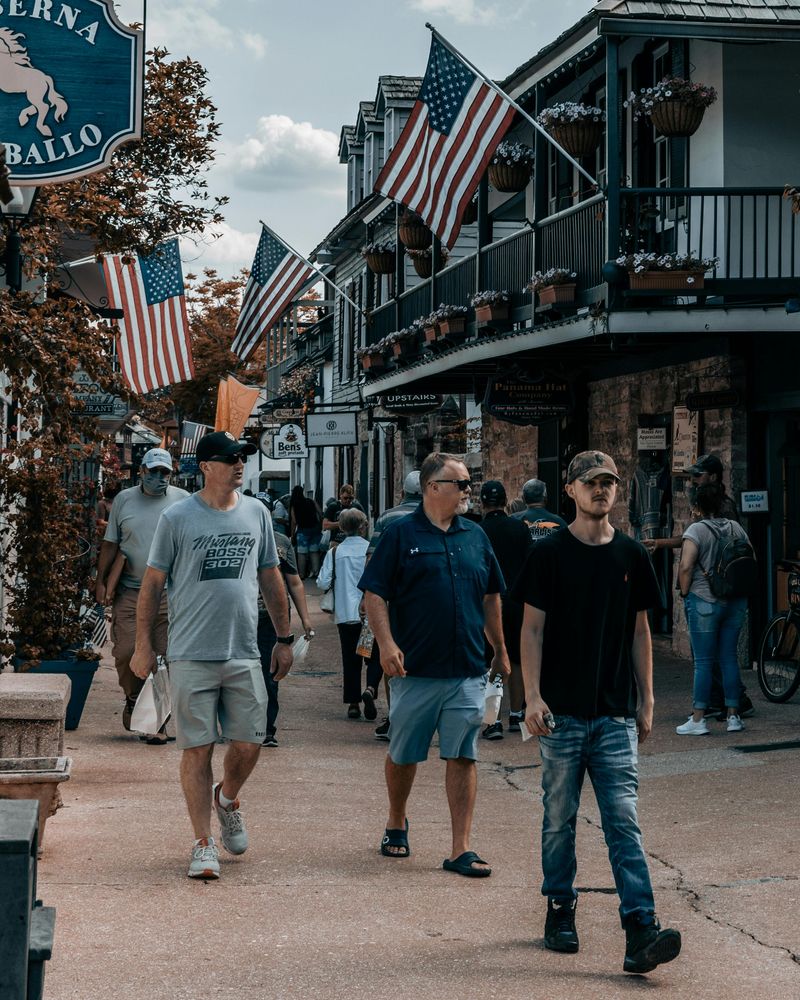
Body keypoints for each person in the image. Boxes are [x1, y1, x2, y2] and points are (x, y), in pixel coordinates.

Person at [515, 450, 681, 974]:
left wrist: (646, 699)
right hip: (560, 713)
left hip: (613, 714)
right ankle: (560, 909)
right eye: (591, 482)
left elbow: (640, 632)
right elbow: (531, 630)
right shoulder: (548, 554)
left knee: (623, 821)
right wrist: (532, 696)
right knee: (558, 819)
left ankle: (641, 928)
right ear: (571, 490)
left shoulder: (631, 554)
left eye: (608, 482)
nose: (601, 490)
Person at [130, 430, 294, 881]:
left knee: (250, 743)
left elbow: (270, 575)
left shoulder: (256, 513)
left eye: (242, 457)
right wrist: (144, 643)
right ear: (205, 466)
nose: (239, 464)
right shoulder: (177, 518)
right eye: (229, 458)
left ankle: (227, 797)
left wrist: (284, 638)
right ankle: (202, 842)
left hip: (243, 650)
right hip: (191, 652)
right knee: (197, 749)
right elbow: (152, 584)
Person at [360, 452, 510, 877]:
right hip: (415, 670)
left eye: (468, 483)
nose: (467, 490)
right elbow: (374, 594)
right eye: (459, 483)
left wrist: (500, 649)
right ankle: (396, 819)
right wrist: (386, 644)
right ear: (432, 487)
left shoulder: (476, 536)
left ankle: (461, 847)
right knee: (404, 754)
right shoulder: (400, 535)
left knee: (463, 755)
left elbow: (491, 597)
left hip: (466, 668)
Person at [642, 453, 754, 719]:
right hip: (723, 593)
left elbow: (693, 552)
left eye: (698, 476)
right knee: (721, 655)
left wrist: (685, 591)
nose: (693, 481)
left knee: (705, 658)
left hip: (711, 593)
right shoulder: (722, 515)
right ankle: (731, 706)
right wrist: (661, 543)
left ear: (713, 477)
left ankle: (712, 708)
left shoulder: (720, 508)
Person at [95, 448, 188, 743]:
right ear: (142, 472)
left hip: (168, 593)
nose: (160, 478)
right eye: (154, 472)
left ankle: (157, 723)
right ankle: (134, 698)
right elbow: (111, 543)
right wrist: (100, 581)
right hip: (130, 591)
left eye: (165, 473)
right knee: (125, 652)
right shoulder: (124, 500)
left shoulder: (184, 501)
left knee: (163, 658)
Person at [675, 483, 750, 735]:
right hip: (735, 601)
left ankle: (698, 719)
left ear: (697, 507)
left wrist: (685, 593)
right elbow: (751, 558)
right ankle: (733, 716)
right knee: (729, 658)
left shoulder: (696, 530)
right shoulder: (736, 527)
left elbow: (686, 566)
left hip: (704, 600)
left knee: (704, 662)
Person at [366, 470, 422, 741]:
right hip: (425, 596)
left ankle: (395, 715)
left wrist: (367, 596)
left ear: (403, 492)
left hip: (393, 596)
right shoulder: (435, 516)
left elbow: (372, 557)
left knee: (390, 652)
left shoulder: (388, 518)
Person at [477, 480, 533, 739]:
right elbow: (529, 565)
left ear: (482, 503)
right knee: (517, 659)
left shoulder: (478, 531)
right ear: (505, 502)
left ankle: (493, 720)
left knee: (492, 658)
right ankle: (517, 714)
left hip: (489, 601)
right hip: (516, 601)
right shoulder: (520, 528)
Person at [317, 507, 383, 720]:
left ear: (343, 528)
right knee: (374, 655)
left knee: (350, 658)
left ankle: (353, 703)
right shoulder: (371, 551)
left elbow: (323, 582)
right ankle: (370, 687)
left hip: (345, 614)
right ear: (363, 527)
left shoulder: (335, 552)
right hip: (370, 613)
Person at [258, 520, 314, 748]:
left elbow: (294, 582)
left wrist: (305, 619)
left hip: (271, 617)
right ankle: (244, 726)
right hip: (239, 617)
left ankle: (265, 728)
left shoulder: (280, 541)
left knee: (270, 670)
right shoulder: (232, 535)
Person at [289, 485, 323, 579]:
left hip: (302, 531)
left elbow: (294, 521)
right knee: (314, 552)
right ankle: (316, 573)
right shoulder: (310, 501)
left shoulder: (294, 505)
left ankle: (302, 574)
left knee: (302, 553)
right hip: (315, 529)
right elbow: (320, 513)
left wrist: (292, 535)